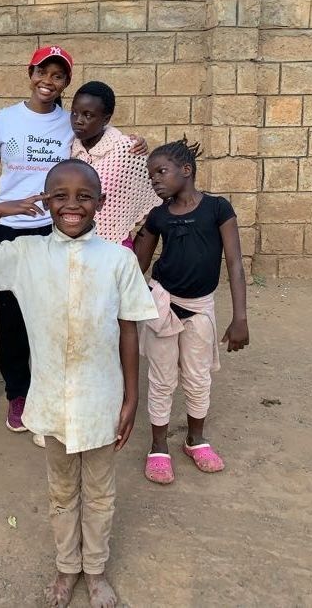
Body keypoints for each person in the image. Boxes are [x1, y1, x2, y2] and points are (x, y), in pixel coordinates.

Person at [0, 159, 157, 608]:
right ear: (45, 202)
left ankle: (95, 570)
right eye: (59, 196)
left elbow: (128, 329)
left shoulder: (118, 259)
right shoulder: (26, 254)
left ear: (101, 202)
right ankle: (67, 568)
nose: (71, 205)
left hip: (102, 398)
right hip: (52, 400)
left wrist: (132, 397)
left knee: (99, 491)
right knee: (62, 490)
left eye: (84, 196)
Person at [0, 47, 147, 434]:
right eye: (42, 72)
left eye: (58, 76)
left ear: (66, 83)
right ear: (30, 73)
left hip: (52, 227)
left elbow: (104, 144)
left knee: (54, 316)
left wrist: (137, 143)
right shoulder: (5, 119)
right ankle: (18, 392)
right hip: (11, 227)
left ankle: (54, 392)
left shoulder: (70, 125)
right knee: (11, 318)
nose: (48, 81)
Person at [134, 138, 249, 485]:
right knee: (161, 379)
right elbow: (138, 264)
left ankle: (195, 440)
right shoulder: (158, 215)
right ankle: (158, 446)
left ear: (187, 170)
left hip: (199, 309)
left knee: (198, 377)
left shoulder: (217, 208)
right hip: (162, 304)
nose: (155, 179)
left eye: (161, 172)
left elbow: (235, 263)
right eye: (151, 175)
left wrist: (240, 318)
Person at [70, 81, 160, 248]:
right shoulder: (69, 149)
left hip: (115, 241)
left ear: (106, 119)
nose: (78, 120)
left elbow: (154, 194)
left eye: (87, 115)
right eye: (74, 113)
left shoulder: (126, 148)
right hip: (74, 243)